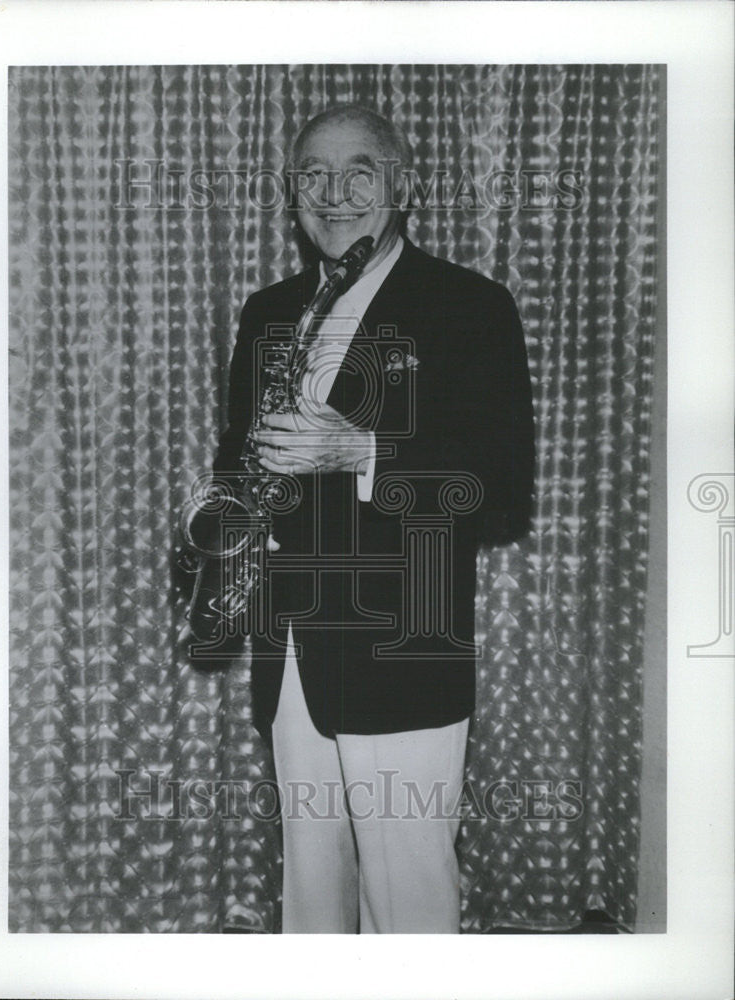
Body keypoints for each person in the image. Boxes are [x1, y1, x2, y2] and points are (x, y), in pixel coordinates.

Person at [209, 104, 535, 933]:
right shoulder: (267, 312)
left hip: (402, 647)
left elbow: (498, 485)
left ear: (403, 183)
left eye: (358, 169)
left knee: (408, 896)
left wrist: (361, 453)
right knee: (310, 889)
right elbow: (235, 461)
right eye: (312, 173)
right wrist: (225, 521)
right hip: (287, 647)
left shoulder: (470, 304)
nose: (334, 192)